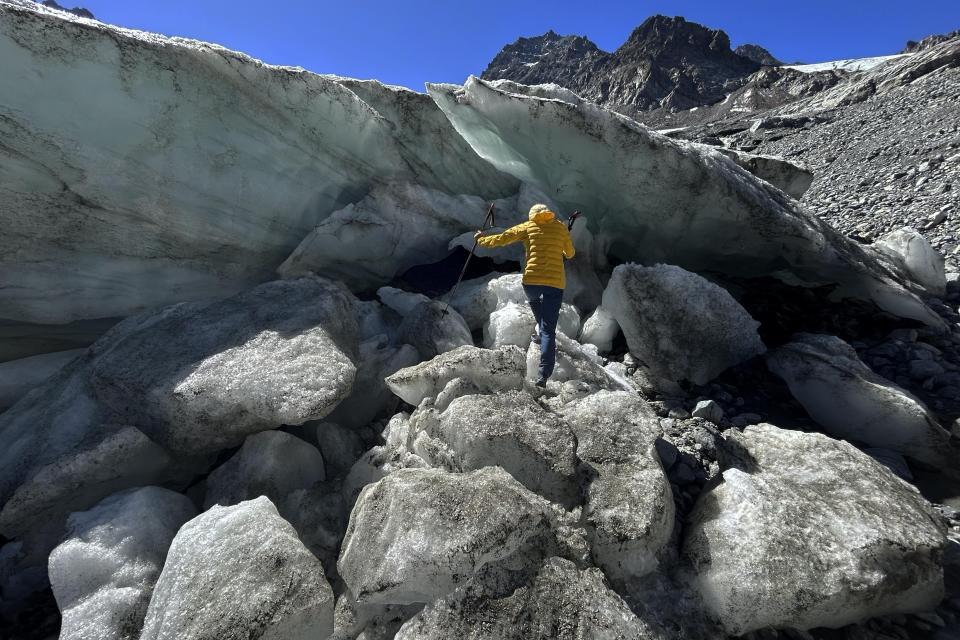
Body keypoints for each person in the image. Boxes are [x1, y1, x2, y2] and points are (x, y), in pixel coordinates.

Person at [474, 203, 575, 387]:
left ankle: (541, 334)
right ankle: (543, 375)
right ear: (548, 214)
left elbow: (503, 238)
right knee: (548, 330)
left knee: (535, 302)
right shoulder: (560, 227)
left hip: (532, 282)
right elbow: (570, 253)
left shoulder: (527, 226)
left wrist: (481, 239)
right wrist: (560, 244)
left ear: (533, 215)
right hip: (554, 284)